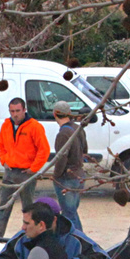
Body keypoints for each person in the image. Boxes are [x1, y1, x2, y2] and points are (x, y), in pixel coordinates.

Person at [0, 96, 49, 241]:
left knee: (29, 209)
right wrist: (4, 160)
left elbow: (44, 150)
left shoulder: (34, 126)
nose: (14, 114)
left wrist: (33, 168)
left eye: (17, 111)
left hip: (26, 173)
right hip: (10, 172)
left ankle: (31, 236)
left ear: (24, 110)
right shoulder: (6, 125)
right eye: (12, 111)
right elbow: (1, 144)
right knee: (3, 207)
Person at [48, 101, 86, 236]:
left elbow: (61, 158)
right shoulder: (78, 128)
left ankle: (79, 241)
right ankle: (78, 240)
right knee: (72, 212)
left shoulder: (63, 134)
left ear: (55, 114)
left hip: (67, 178)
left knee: (69, 215)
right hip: (79, 175)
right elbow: (85, 150)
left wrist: (56, 175)